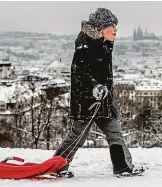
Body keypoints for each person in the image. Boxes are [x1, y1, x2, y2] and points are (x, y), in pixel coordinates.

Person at [53, 8, 136, 176]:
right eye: (112, 25)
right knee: (78, 136)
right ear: (101, 28)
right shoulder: (85, 46)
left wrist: (103, 92)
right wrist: (95, 88)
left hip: (103, 100)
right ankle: (56, 167)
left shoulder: (103, 43)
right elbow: (80, 74)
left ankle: (123, 167)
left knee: (114, 133)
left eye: (116, 25)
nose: (116, 29)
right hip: (87, 102)